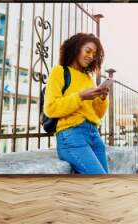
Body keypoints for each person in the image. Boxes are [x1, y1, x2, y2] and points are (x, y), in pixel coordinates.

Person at [44, 33, 110, 174]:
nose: (91, 56)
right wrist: (80, 96)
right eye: (88, 51)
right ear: (76, 49)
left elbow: (98, 114)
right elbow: (50, 108)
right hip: (71, 135)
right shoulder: (59, 71)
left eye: (94, 54)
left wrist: (102, 98)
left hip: (94, 135)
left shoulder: (88, 78)